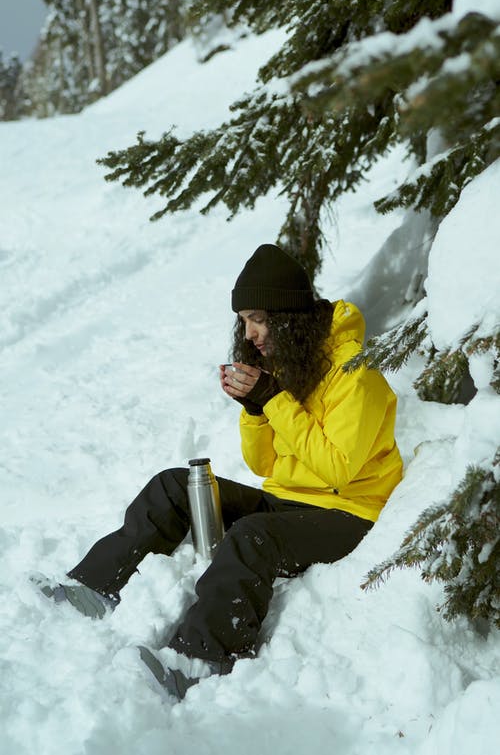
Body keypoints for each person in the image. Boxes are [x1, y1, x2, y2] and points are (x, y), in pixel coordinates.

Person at [39, 244, 403, 700]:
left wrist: (273, 399)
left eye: (258, 318)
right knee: (176, 486)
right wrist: (255, 409)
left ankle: (200, 659)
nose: (249, 333)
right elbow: (265, 465)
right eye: (244, 321)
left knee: (254, 535)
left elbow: (338, 471)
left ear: (288, 315)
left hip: (346, 514)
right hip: (287, 502)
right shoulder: (294, 366)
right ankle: (93, 587)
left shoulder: (357, 375)